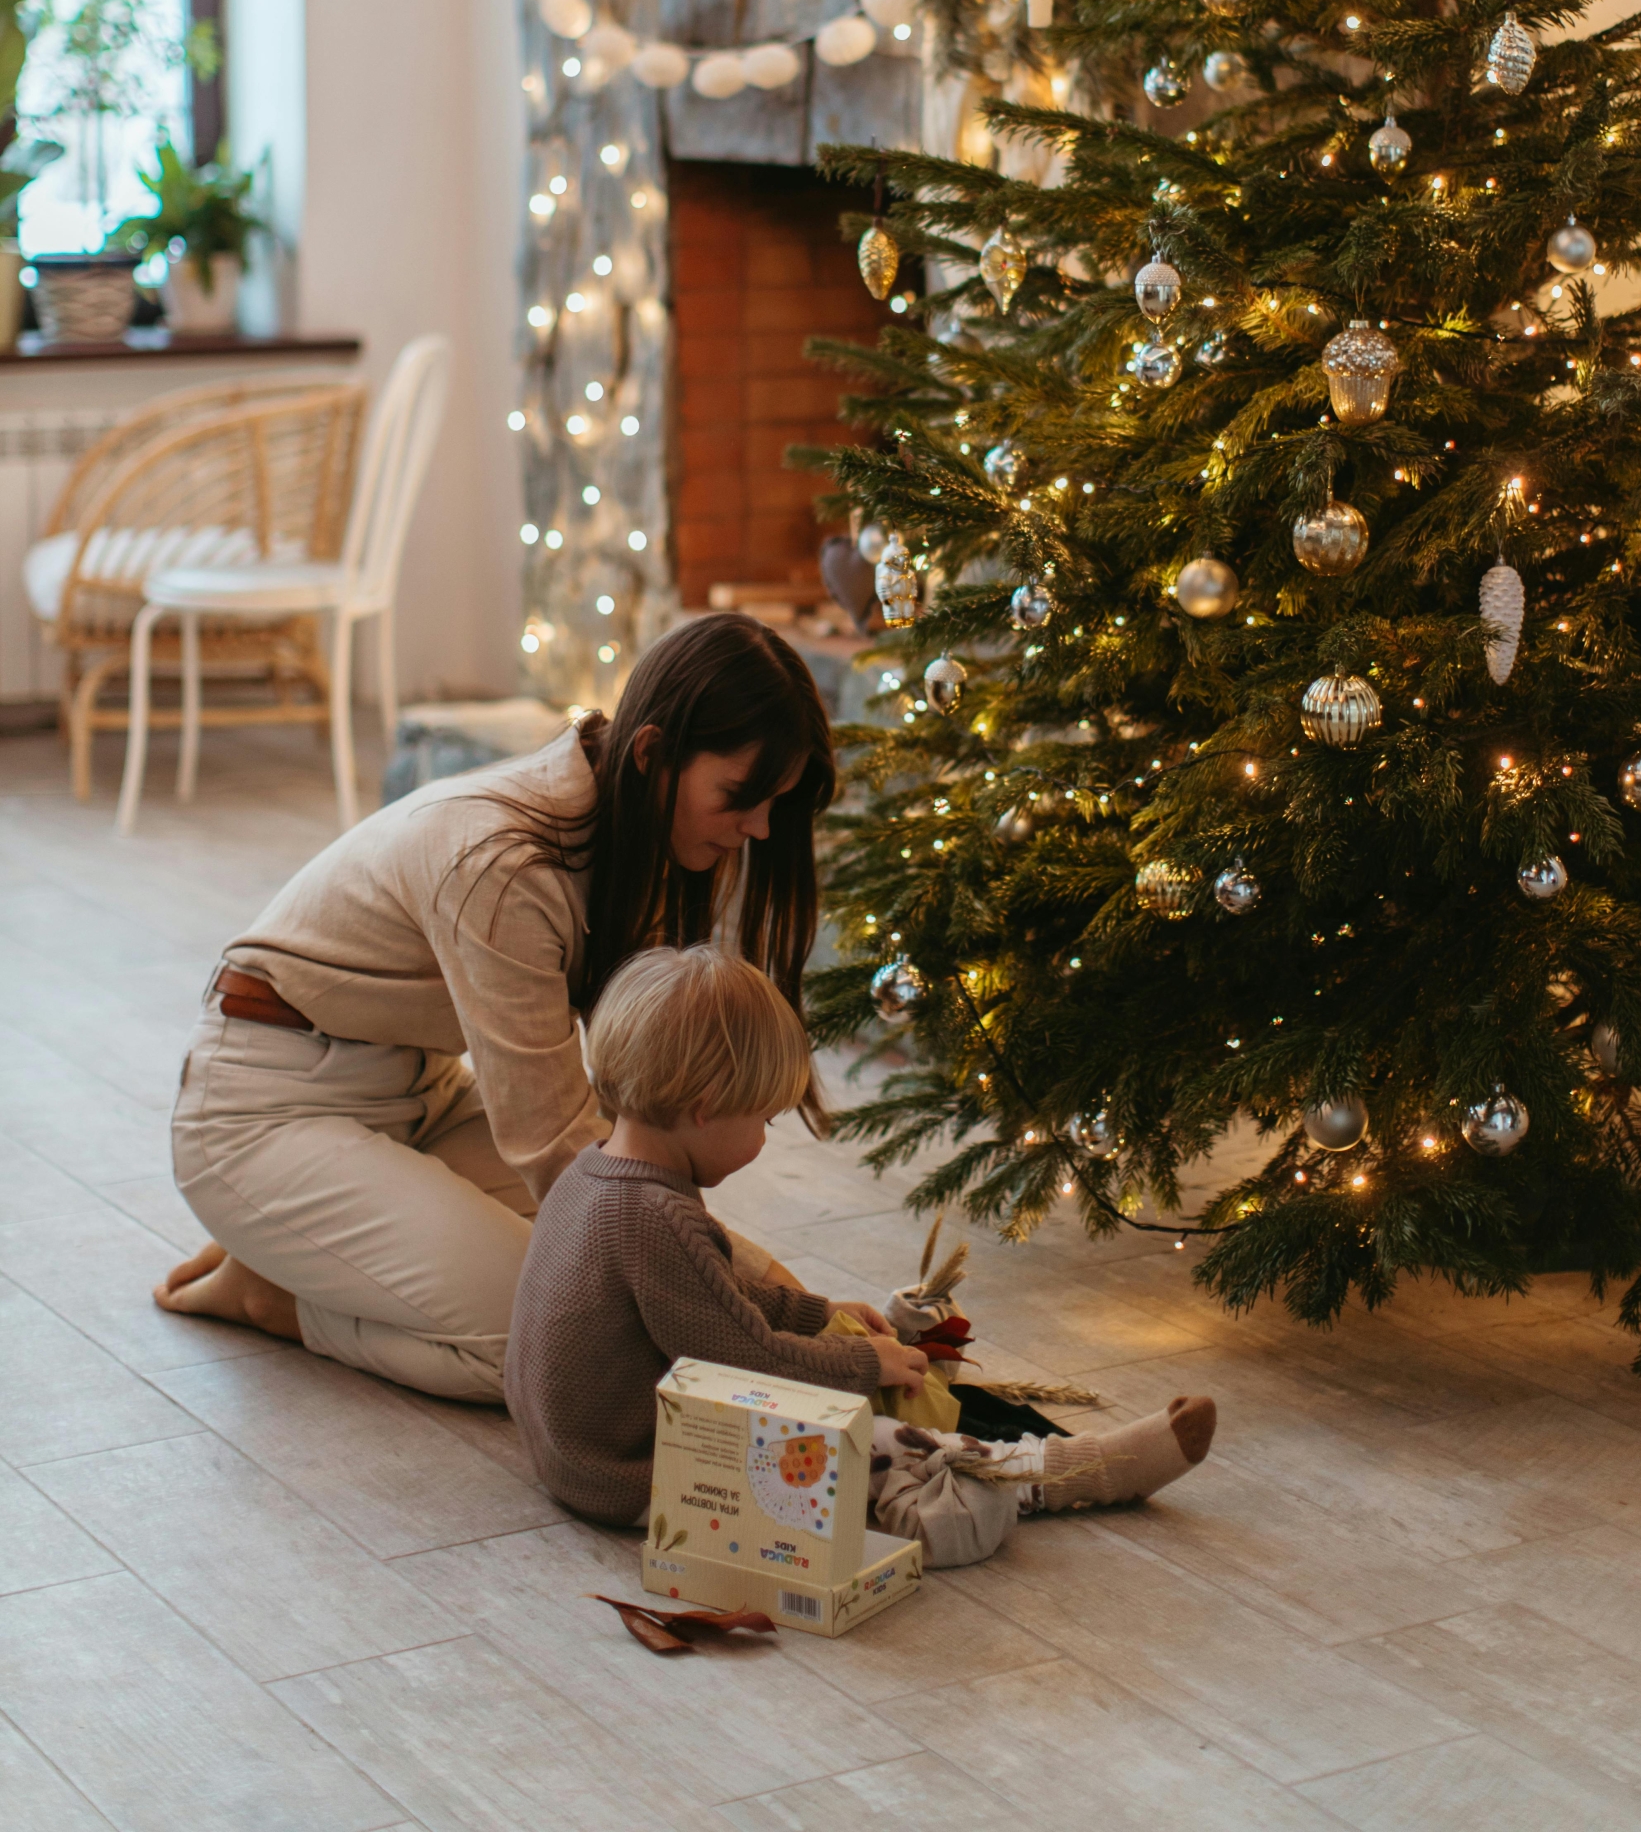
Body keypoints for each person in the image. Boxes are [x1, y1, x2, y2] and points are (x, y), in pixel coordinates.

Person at [153, 614, 833, 1402]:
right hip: (262, 1111)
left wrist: (779, 1311)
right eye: (741, 796)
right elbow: (562, 1148)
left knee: (625, 1297)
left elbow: (636, 1147)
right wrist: (758, 1298)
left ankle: (306, 1254)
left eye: (775, 803)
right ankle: (279, 1299)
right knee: (568, 1346)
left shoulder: (638, 838)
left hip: (418, 1099)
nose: (759, 828)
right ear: (651, 753)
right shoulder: (505, 869)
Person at [506, 945, 1217, 1566]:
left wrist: (818, 1314)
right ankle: (1073, 1471)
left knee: (838, 1379)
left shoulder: (596, 1174)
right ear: (706, 1104)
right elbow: (745, 1363)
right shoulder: (655, 1216)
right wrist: (863, 1364)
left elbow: (711, 1296)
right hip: (636, 1474)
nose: (763, 1138)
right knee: (881, 1439)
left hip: (573, 1458)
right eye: (763, 1118)